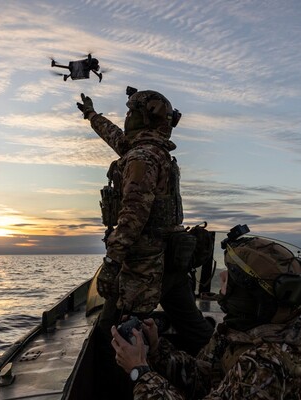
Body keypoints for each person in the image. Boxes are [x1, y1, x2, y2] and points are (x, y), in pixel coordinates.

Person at [76, 87, 214, 398]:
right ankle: (215, 372)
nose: (124, 119)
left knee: (112, 335)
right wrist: (91, 115)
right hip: (172, 261)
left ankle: (128, 389)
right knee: (193, 328)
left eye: (129, 113)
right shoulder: (150, 150)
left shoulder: (141, 158)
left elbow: (132, 217)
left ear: (142, 118)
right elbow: (117, 139)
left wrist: (111, 263)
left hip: (144, 267)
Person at [111, 232, 301, 400]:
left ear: (248, 297)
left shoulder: (267, 364)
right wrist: (157, 350)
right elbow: (205, 378)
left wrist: (139, 372)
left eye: (231, 276)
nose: (222, 276)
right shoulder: (241, 334)